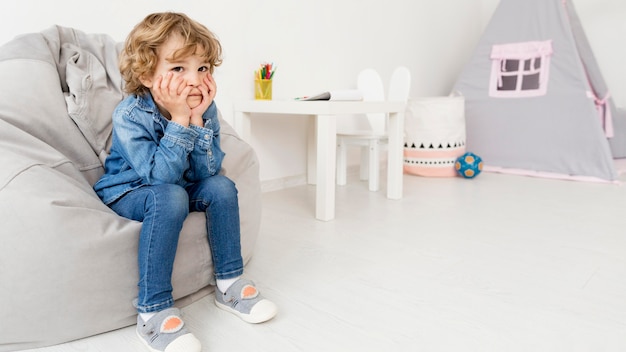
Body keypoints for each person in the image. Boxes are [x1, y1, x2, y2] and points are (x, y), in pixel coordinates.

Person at [93, 12, 277, 352]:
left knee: (222, 187)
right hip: (130, 191)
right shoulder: (130, 114)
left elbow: (206, 174)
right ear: (148, 74)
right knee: (170, 196)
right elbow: (159, 178)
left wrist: (198, 120)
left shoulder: (204, 108)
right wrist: (180, 122)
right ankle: (153, 311)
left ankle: (229, 282)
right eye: (179, 68)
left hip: (175, 187)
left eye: (203, 68)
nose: (194, 80)